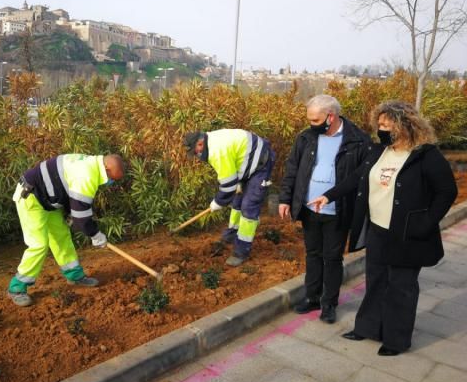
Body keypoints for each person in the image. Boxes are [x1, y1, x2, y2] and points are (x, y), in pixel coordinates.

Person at [309, 100, 457, 355]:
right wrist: (329, 196)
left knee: (401, 287)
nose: (382, 130)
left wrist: (426, 222)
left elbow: (447, 192)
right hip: (377, 229)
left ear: (405, 126)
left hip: (407, 234)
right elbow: (356, 178)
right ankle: (367, 328)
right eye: (380, 125)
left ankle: (396, 340)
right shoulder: (379, 151)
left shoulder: (426, 155)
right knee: (375, 281)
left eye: (387, 126)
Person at [279, 95, 370, 323]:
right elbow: (292, 169)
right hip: (310, 209)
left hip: (337, 211)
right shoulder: (307, 138)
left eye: (315, 119)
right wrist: (285, 199)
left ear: (331, 116)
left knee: (332, 258)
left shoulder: (358, 141)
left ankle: (329, 303)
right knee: (312, 254)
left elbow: (363, 178)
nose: (311, 124)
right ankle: (312, 297)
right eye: (309, 119)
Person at [7, 153, 125, 306]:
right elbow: (81, 217)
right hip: (31, 197)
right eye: (111, 179)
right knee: (39, 244)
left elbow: (69, 192)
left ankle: (75, 276)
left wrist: (70, 214)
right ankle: (16, 288)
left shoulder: (91, 163)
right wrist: (95, 235)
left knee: (61, 236)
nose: (109, 183)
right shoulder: (87, 175)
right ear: (107, 169)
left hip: (49, 202)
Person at [183, 129, 275, 267]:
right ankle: (232, 234)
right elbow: (231, 166)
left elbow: (227, 185)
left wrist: (218, 202)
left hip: (260, 164)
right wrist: (236, 183)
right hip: (245, 162)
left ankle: (241, 250)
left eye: (195, 151)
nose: (196, 155)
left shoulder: (216, 151)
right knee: (237, 200)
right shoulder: (211, 141)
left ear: (200, 143)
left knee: (248, 207)